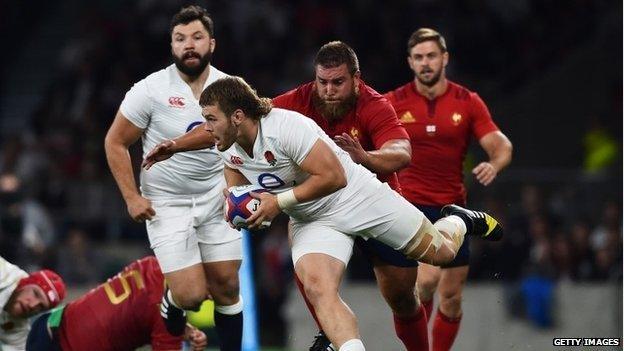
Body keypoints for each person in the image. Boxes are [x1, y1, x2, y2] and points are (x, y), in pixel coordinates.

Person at [193, 76, 502, 351]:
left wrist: (276, 203)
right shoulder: (227, 145)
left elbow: (334, 178)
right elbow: (235, 182)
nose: (207, 128)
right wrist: (238, 208)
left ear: (237, 116)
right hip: (312, 217)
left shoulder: (286, 127)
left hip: (356, 196)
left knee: (442, 253)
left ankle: (458, 219)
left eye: (210, 119)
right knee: (318, 288)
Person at [272, 41, 428, 351]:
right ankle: (329, 334)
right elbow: (247, 116)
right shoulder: (294, 102)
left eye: (338, 82)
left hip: (374, 204)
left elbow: (402, 152)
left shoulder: (374, 105)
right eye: (322, 82)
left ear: (356, 79)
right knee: (312, 275)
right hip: (321, 209)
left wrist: (364, 158)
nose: (328, 90)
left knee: (401, 297)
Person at [103, 5, 243, 350]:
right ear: (172, 46)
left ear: (212, 43)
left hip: (215, 197)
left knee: (227, 286)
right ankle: (174, 299)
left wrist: (237, 190)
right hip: (166, 203)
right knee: (193, 296)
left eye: (196, 37)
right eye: (180, 39)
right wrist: (132, 197)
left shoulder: (230, 88)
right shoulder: (150, 90)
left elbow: (244, 142)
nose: (188, 45)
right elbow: (115, 141)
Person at [385, 28, 513, 351]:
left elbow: (501, 145)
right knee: (426, 281)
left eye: (431, 56)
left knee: (452, 298)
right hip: (410, 207)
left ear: (445, 59)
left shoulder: (467, 102)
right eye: (418, 58)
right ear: (409, 62)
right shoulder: (392, 102)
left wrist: (494, 164)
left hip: (455, 212)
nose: (425, 63)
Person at [25, 256, 208, 351]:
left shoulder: (151, 264)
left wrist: (180, 326)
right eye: (208, 289)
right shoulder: (163, 320)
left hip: (48, 324)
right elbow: (156, 310)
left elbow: (135, 310)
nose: (208, 297)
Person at [0, 255, 65, 351]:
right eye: (35, 293)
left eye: (41, 306)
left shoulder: (19, 330)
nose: (32, 305)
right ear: (24, 282)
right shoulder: (2, 271)